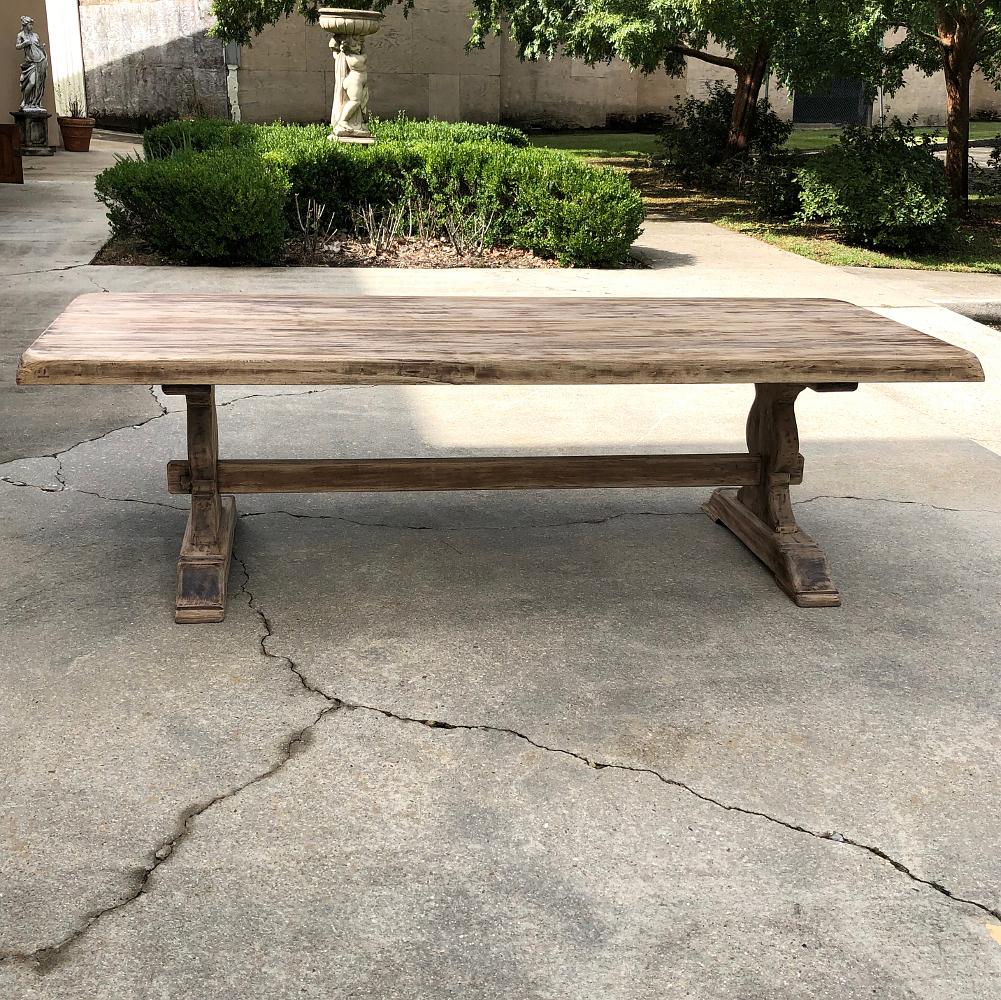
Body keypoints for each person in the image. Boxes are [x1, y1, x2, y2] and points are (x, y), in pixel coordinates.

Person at [16, 15, 48, 112]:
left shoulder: (35, 35)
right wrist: (24, 44)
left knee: (39, 83)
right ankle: (25, 101)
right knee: (32, 82)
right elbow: (17, 46)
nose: (31, 26)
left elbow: (39, 46)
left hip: (40, 60)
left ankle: (35, 102)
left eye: (32, 24)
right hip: (30, 63)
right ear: (25, 25)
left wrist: (42, 47)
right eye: (30, 24)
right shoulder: (20, 35)